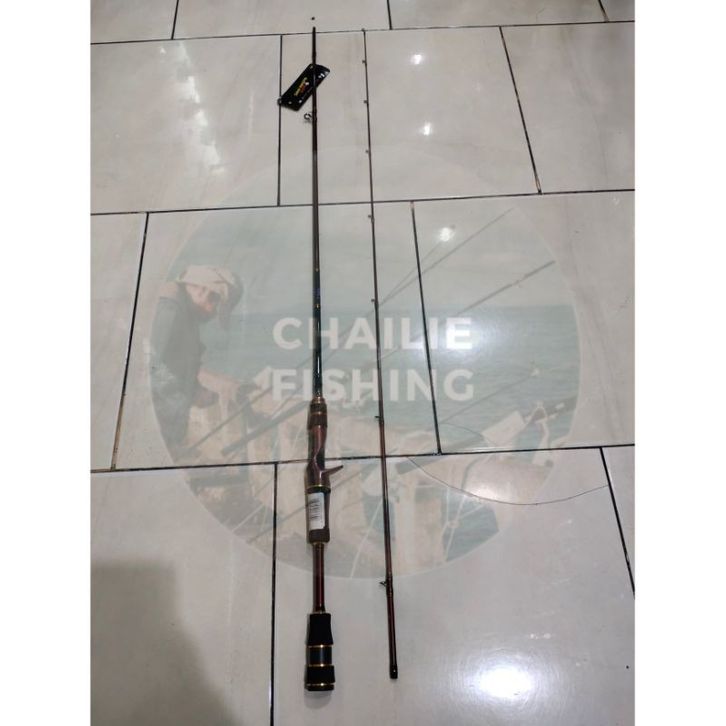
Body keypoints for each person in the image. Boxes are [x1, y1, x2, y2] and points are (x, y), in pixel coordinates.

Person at [150, 265, 242, 452]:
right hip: (157, 431)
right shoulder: (169, 309)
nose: (213, 314)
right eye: (215, 307)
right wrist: (184, 396)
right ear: (205, 292)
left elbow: (175, 364)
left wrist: (195, 390)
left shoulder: (185, 311)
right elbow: (149, 366)